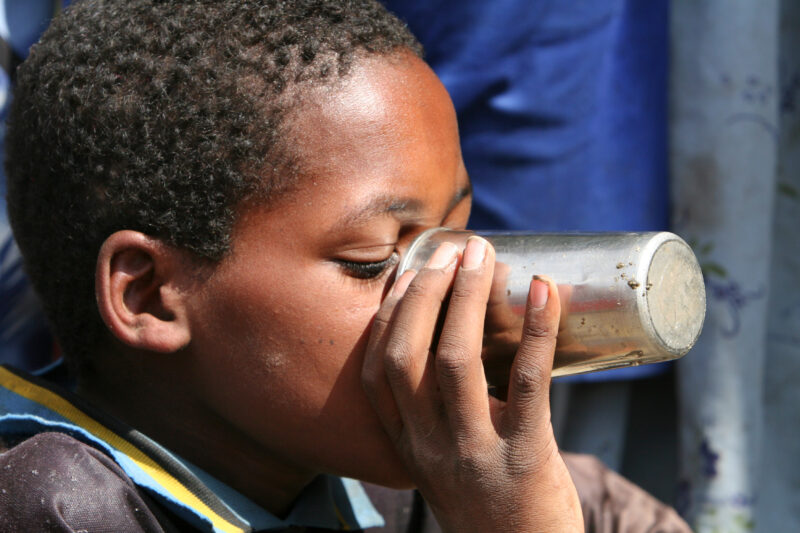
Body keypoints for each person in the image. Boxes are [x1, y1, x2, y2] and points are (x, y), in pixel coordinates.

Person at [0, 1, 688, 531]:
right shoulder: (55, 504)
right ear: (151, 294)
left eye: (459, 232)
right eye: (373, 260)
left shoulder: (368, 471)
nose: (459, 286)